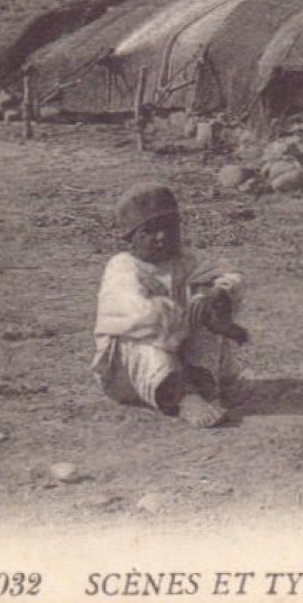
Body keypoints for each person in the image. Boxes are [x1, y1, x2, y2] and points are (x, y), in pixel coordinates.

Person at [93, 183, 249, 427]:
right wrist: (193, 312)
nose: (162, 237)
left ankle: (201, 384)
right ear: (132, 238)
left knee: (209, 309)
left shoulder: (187, 260)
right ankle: (185, 397)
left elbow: (228, 276)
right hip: (133, 373)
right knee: (141, 343)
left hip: (184, 355)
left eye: (169, 227)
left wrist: (218, 296)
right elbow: (139, 315)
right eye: (149, 231)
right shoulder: (123, 267)